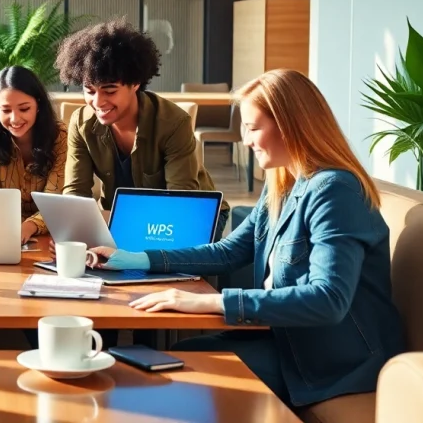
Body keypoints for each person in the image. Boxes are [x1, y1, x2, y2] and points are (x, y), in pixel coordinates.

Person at [87, 69, 406, 408]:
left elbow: (328, 299)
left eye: (253, 128)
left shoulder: (334, 191)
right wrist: (138, 257)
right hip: (286, 342)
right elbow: (229, 252)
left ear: (291, 125)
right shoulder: (284, 183)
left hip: (334, 361)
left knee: (178, 372)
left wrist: (211, 301)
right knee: (177, 357)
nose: (247, 141)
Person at [55, 19, 230, 227]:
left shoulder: (173, 123)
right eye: (89, 91)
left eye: (110, 91)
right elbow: (76, 193)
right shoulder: (81, 123)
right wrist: (74, 231)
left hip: (193, 218)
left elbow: (181, 204)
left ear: (135, 83)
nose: (98, 102)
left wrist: (111, 219)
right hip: (120, 220)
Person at [0, 66, 67, 244]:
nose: (15, 119)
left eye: (24, 109)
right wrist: (10, 230)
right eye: (6, 110)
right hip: (2, 230)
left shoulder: (60, 135)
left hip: (51, 234)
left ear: (38, 105)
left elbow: (55, 202)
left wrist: (28, 227)